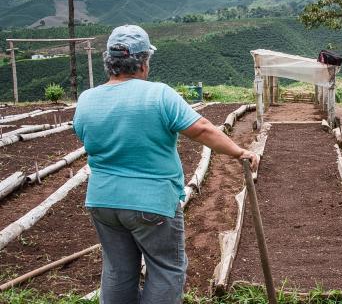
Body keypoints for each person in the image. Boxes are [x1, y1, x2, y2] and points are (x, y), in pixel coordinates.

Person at [73, 25, 258, 304]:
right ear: (143, 62)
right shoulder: (158, 95)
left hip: (103, 201)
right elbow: (202, 129)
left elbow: (84, 136)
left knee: (118, 270)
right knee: (165, 269)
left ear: (109, 62)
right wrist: (238, 152)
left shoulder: (86, 100)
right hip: (151, 203)